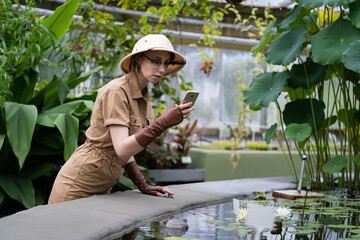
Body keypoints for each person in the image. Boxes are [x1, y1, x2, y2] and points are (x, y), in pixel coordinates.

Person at [48, 34, 194, 204]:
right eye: (155, 61)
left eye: (166, 63)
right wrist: (163, 122)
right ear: (139, 59)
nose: (162, 69)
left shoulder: (143, 97)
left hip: (103, 186)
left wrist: (143, 184)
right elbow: (122, 149)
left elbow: (127, 148)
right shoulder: (116, 91)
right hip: (78, 186)